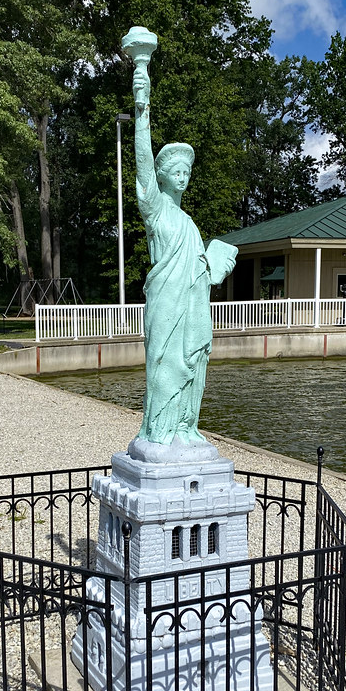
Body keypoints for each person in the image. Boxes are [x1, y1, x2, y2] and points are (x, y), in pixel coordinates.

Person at [130, 61, 237, 455]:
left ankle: (187, 427)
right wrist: (143, 107)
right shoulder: (157, 211)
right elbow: (142, 164)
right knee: (163, 368)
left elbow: (199, 272)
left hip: (193, 308)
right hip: (166, 306)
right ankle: (158, 432)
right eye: (176, 170)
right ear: (161, 176)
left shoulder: (189, 222)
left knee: (194, 366)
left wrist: (213, 267)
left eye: (187, 170)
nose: (183, 176)